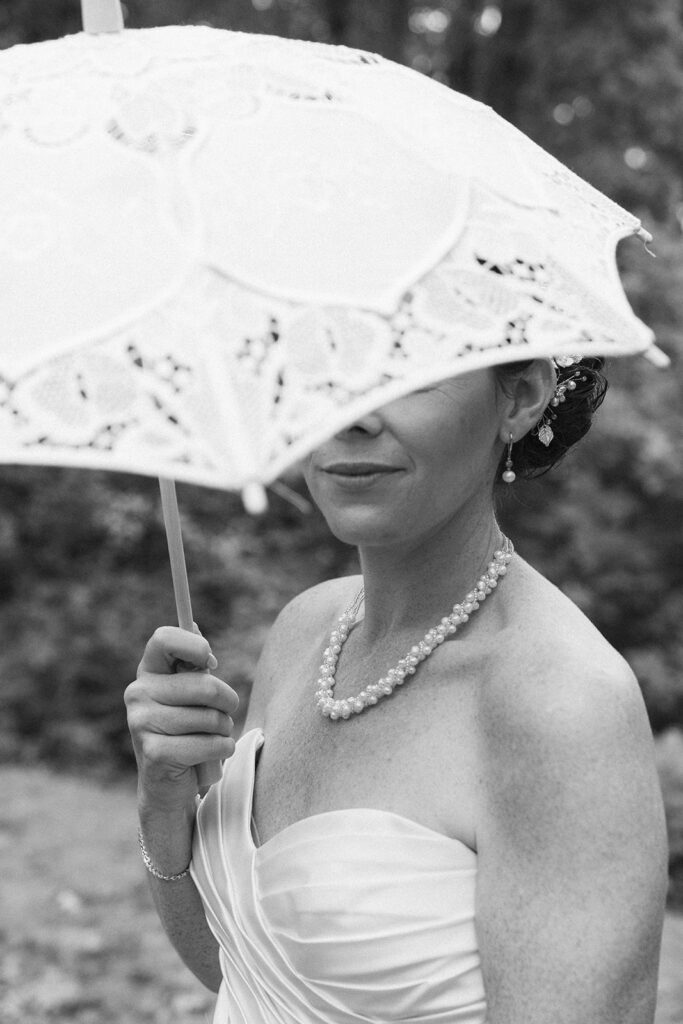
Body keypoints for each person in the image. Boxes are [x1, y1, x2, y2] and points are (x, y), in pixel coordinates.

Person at [125, 356, 668, 1024]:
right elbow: (235, 968)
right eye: (322, 368)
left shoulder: (558, 703)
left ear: (520, 398)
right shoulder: (306, 630)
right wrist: (162, 799)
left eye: (402, 374)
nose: (352, 417)